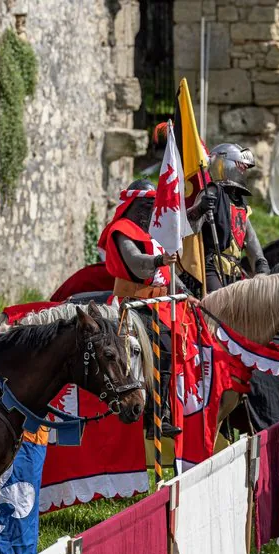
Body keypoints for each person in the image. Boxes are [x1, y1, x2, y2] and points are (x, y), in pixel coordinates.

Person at [98, 178, 187, 437]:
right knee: (154, 353)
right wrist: (160, 259)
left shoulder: (151, 233)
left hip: (157, 304)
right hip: (134, 305)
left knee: (171, 349)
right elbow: (137, 263)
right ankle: (152, 419)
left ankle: (164, 411)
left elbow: (170, 274)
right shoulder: (123, 229)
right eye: (146, 205)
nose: (149, 211)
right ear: (132, 205)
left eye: (153, 205)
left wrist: (185, 293)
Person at [186, 143, 269, 293]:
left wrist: (260, 264)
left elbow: (250, 239)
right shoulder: (211, 192)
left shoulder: (240, 201)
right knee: (220, 308)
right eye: (240, 165)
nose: (243, 170)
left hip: (234, 270)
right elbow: (189, 229)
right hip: (210, 267)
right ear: (224, 164)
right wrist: (199, 210)